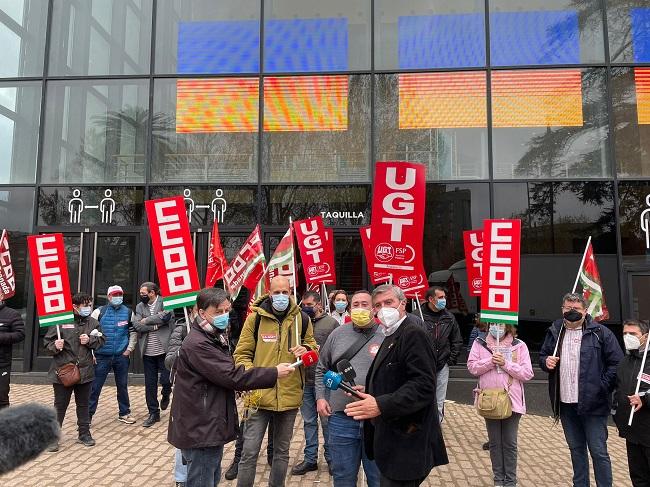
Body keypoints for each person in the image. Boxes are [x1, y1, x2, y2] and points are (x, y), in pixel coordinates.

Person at [168, 287, 294, 487]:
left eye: (227, 311)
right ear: (202, 312)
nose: (224, 316)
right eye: (218, 312)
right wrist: (273, 372)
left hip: (206, 424)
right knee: (202, 480)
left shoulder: (214, 335)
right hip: (201, 427)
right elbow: (231, 375)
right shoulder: (199, 343)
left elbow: (221, 374)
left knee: (210, 476)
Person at [345, 284, 448, 486]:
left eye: (388, 302)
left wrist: (380, 404)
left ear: (403, 304)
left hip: (408, 441)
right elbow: (398, 375)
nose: (383, 309)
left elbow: (423, 385)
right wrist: (371, 391)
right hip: (394, 440)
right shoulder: (391, 332)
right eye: (378, 305)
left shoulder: (412, 333)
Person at [234, 276, 317, 487]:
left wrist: (306, 351)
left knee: (282, 453)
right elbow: (241, 355)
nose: (281, 296)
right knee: (249, 452)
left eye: (285, 292)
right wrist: (254, 378)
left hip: (289, 397)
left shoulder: (302, 319)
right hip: (259, 396)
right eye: (276, 292)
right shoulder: (255, 319)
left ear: (291, 293)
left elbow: (314, 351)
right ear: (269, 293)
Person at [539, 293, 623, 487]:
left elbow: (616, 363)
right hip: (566, 403)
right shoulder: (555, 331)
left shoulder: (601, 333)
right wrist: (546, 362)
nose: (571, 312)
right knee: (576, 450)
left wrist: (601, 386)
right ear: (562, 310)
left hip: (594, 404)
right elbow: (543, 355)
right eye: (568, 308)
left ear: (585, 311)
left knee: (598, 451)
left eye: (576, 309)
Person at [315, 290, 383, 487]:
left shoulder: (388, 335)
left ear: (374, 309)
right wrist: (320, 398)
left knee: (377, 479)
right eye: (356, 305)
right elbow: (321, 369)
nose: (360, 309)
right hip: (341, 419)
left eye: (365, 304)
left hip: (377, 420)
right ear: (350, 308)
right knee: (343, 479)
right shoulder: (337, 334)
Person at [467, 323, 534, 487]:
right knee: (495, 442)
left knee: (509, 442)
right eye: (493, 324)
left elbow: (527, 373)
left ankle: (510, 481)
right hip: (489, 401)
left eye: (501, 324)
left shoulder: (519, 345)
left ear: (508, 326)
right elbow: (472, 367)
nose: (496, 327)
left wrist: (505, 363)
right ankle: (498, 479)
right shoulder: (479, 342)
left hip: (512, 400)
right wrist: (491, 361)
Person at [224, 286, 275, 481]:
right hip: (251, 380)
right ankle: (238, 459)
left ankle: (272, 455)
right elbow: (243, 350)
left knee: (274, 424)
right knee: (246, 425)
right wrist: (244, 376)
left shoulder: (291, 319)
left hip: (276, 379)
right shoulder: (253, 319)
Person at [44, 293, 106, 451]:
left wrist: (90, 341)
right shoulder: (61, 321)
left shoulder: (93, 322)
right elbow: (47, 343)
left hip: (85, 371)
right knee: (60, 405)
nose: (88, 308)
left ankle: (84, 434)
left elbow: (101, 340)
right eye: (85, 305)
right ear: (75, 306)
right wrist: (55, 346)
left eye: (89, 305)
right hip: (63, 371)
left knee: (83, 404)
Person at [291, 290, 339, 476]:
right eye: (304, 304)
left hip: (325, 381)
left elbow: (337, 351)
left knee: (327, 422)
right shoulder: (300, 322)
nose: (306, 308)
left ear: (319, 304)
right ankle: (310, 459)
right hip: (304, 379)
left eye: (310, 305)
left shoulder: (331, 323)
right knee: (309, 422)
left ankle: (332, 459)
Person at [88, 285, 137, 424]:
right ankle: (87, 416)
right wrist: (92, 353)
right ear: (109, 297)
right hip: (101, 356)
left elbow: (133, 332)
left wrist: (129, 350)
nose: (117, 297)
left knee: (122, 385)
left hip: (121, 356)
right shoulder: (99, 312)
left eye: (120, 294)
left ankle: (124, 413)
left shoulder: (128, 312)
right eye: (114, 295)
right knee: (95, 387)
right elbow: (90, 333)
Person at [613, 319, 650, 486]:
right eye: (625, 333)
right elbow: (619, 390)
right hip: (632, 432)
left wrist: (645, 398)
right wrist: (617, 414)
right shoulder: (624, 362)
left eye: (633, 334)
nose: (628, 337)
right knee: (638, 477)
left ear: (645, 336)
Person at [133, 282, 175, 428]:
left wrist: (147, 321)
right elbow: (136, 325)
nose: (141, 296)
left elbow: (166, 317)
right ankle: (153, 413)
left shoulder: (165, 301)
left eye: (144, 293)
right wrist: (156, 325)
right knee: (150, 384)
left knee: (166, 378)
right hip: (147, 351)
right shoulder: (139, 306)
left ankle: (166, 392)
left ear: (152, 293)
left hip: (164, 350)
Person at [420, 286, 462, 422]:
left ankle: (436, 428)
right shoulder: (417, 316)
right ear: (431, 299)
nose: (444, 300)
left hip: (442, 364)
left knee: (439, 399)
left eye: (444, 297)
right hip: (422, 363)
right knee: (421, 395)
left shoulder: (449, 317)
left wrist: (451, 359)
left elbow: (456, 339)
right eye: (441, 297)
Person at [165, 306, 196, 487]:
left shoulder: (217, 331)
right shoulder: (181, 329)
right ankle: (181, 478)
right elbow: (169, 361)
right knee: (183, 435)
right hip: (184, 391)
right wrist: (183, 351)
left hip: (208, 394)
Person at [0, 292, 25, 409]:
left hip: (2, 364)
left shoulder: (12, 314)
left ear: (1, 296)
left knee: (1, 399)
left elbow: (20, 334)